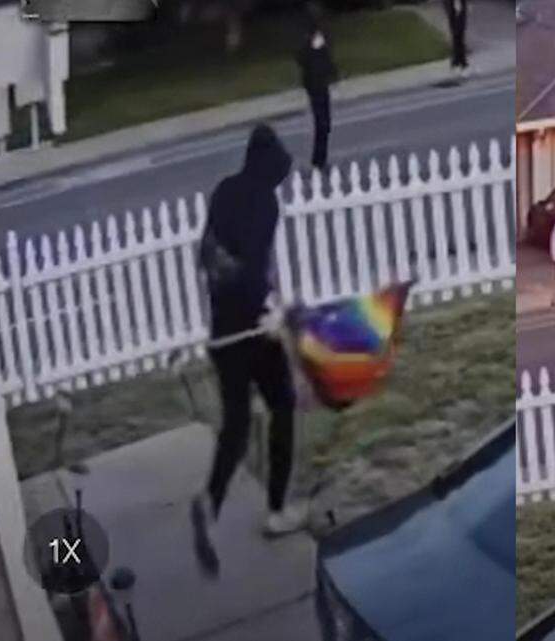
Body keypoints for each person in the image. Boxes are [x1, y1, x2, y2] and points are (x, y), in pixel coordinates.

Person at [192, 125, 303, 578]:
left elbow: (207, 255)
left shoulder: (224, 191)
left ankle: (211, 500)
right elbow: (254, 265)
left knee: (236, 423)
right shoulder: (263, 201)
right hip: (252, 328)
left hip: (222, 331)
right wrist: (267, 314)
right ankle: (277, 511)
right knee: (283, 405)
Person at [296, 12, 339, 170]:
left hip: (320, 84)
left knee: (324, 123)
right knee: (322, 123)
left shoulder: (320, 42)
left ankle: (320, 159)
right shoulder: (308, 44)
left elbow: (326, 59)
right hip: (315, 85)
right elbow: (303, 59)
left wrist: (332, 74)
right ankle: (319, 160)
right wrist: (314, 48)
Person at [443, 0, 470, 77]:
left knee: (459, 35)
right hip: (452, 9)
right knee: (456, 36)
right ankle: (460, 63)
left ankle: (458, 63)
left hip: (459, 8)